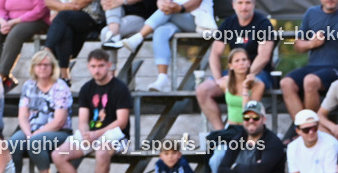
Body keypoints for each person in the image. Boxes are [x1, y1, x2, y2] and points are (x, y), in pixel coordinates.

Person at [51, 49, 131, 173]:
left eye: (101, 66)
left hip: (116, 135)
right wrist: (85, 133)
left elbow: (121, 122)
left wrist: (96, 134)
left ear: (109, 65)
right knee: (58, 155)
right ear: (88, 66)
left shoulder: (120, 88)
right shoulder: (87, 88)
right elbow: (82, 119)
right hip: (93, 135)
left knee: (102, 152)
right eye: (93, 66)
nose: (97, 70)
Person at [195, 0, 276, 130]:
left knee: (251, 86)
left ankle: (250, 131)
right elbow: (215, 53)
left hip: (258, 72)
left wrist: (247, 76)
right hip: (233, 71)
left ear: (254, 4)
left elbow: (264, 56)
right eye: (240, 3)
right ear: (233, 5)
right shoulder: (229, 22)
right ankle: (221, 133)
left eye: (248, 3)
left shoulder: (263, 23)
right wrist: (218, 79)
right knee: (202, 90)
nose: (244, 7)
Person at [108, 0, 217, 93]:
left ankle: (139, 37)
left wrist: (179, 8)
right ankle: (162, 79)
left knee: (168, 10)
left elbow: (196, 2)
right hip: (173, 16)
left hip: (196, 19)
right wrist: (162, 3)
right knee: (160, 31)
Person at [281, 0, 338, 122]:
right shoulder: (311, 13)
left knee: (310, 81)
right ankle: (303, 128)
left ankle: (311, 128)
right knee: (286, 83)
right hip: (313, 67)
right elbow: (298, 45)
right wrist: (311, 43)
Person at [9, 49, 71, 173]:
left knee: (35, 142)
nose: (42, 67)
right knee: (13, 143)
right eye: (39, 64)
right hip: (31, 130)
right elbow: (23, 116)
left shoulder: (60, 87)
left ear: (52, 68)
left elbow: (59, 121)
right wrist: (28, 133)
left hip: (59, 132)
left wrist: (35, 135)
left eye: (46, 65)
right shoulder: (28, 85)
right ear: (33, 67)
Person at [0, 0, 50, 90]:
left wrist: (15, 21)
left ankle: (0, 76)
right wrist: (2, 21)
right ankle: (5, 78)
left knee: (15, 34)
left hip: (35, 20)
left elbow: (40, 10)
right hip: (9, 21)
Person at [202, 46, 265, 132]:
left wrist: (245, 87)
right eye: (237, 61)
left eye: (244, 60)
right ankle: (220, 131)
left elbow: (249, 112)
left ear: (249, 63)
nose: (241, 63)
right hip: (231, 128)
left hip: (248, 129)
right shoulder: (225, 83)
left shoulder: (258, 85)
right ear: (230, 65)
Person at [42, 0, 106, 82]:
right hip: (67, 20)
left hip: (92, 19)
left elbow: (82, 2)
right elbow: (48, 2)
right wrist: (62, 8)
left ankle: (46, 51)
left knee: (62, 17)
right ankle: (64, 75)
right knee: (66, 29)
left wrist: (61, 9)